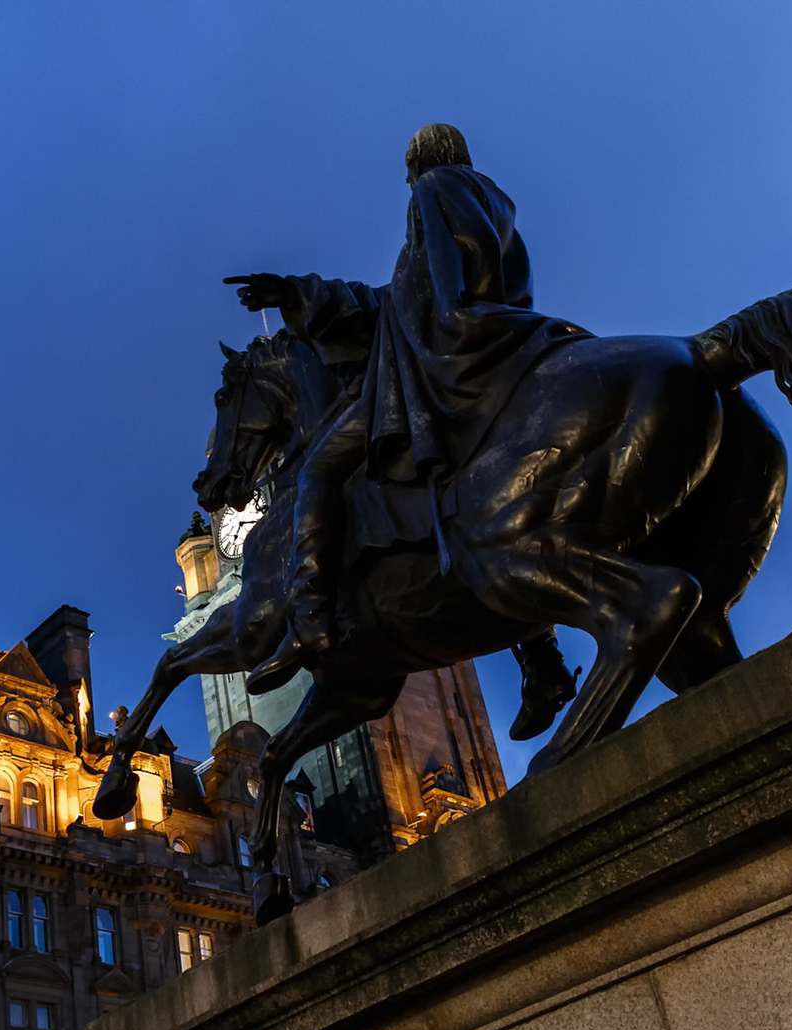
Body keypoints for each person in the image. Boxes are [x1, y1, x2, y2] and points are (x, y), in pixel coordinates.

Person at [228, 123, 590, 692]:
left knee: (320, 470)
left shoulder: (434, 191)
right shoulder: (495, 204)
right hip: (500, 345)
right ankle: (540, 654)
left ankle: (310, 622)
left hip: (442, 362)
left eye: (408, 166)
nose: (405, 179)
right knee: (488, 498)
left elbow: (419, 300)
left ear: (425, 160)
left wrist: (295, 293)